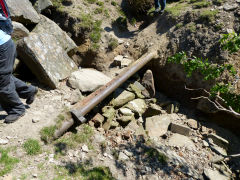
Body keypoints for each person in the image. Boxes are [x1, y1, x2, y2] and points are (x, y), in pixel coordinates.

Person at [0, 0, 38, 123]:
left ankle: (17, 109)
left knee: (2, 82)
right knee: (5, 77)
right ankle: (29, 91)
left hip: (3, 47)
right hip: (5, 44)